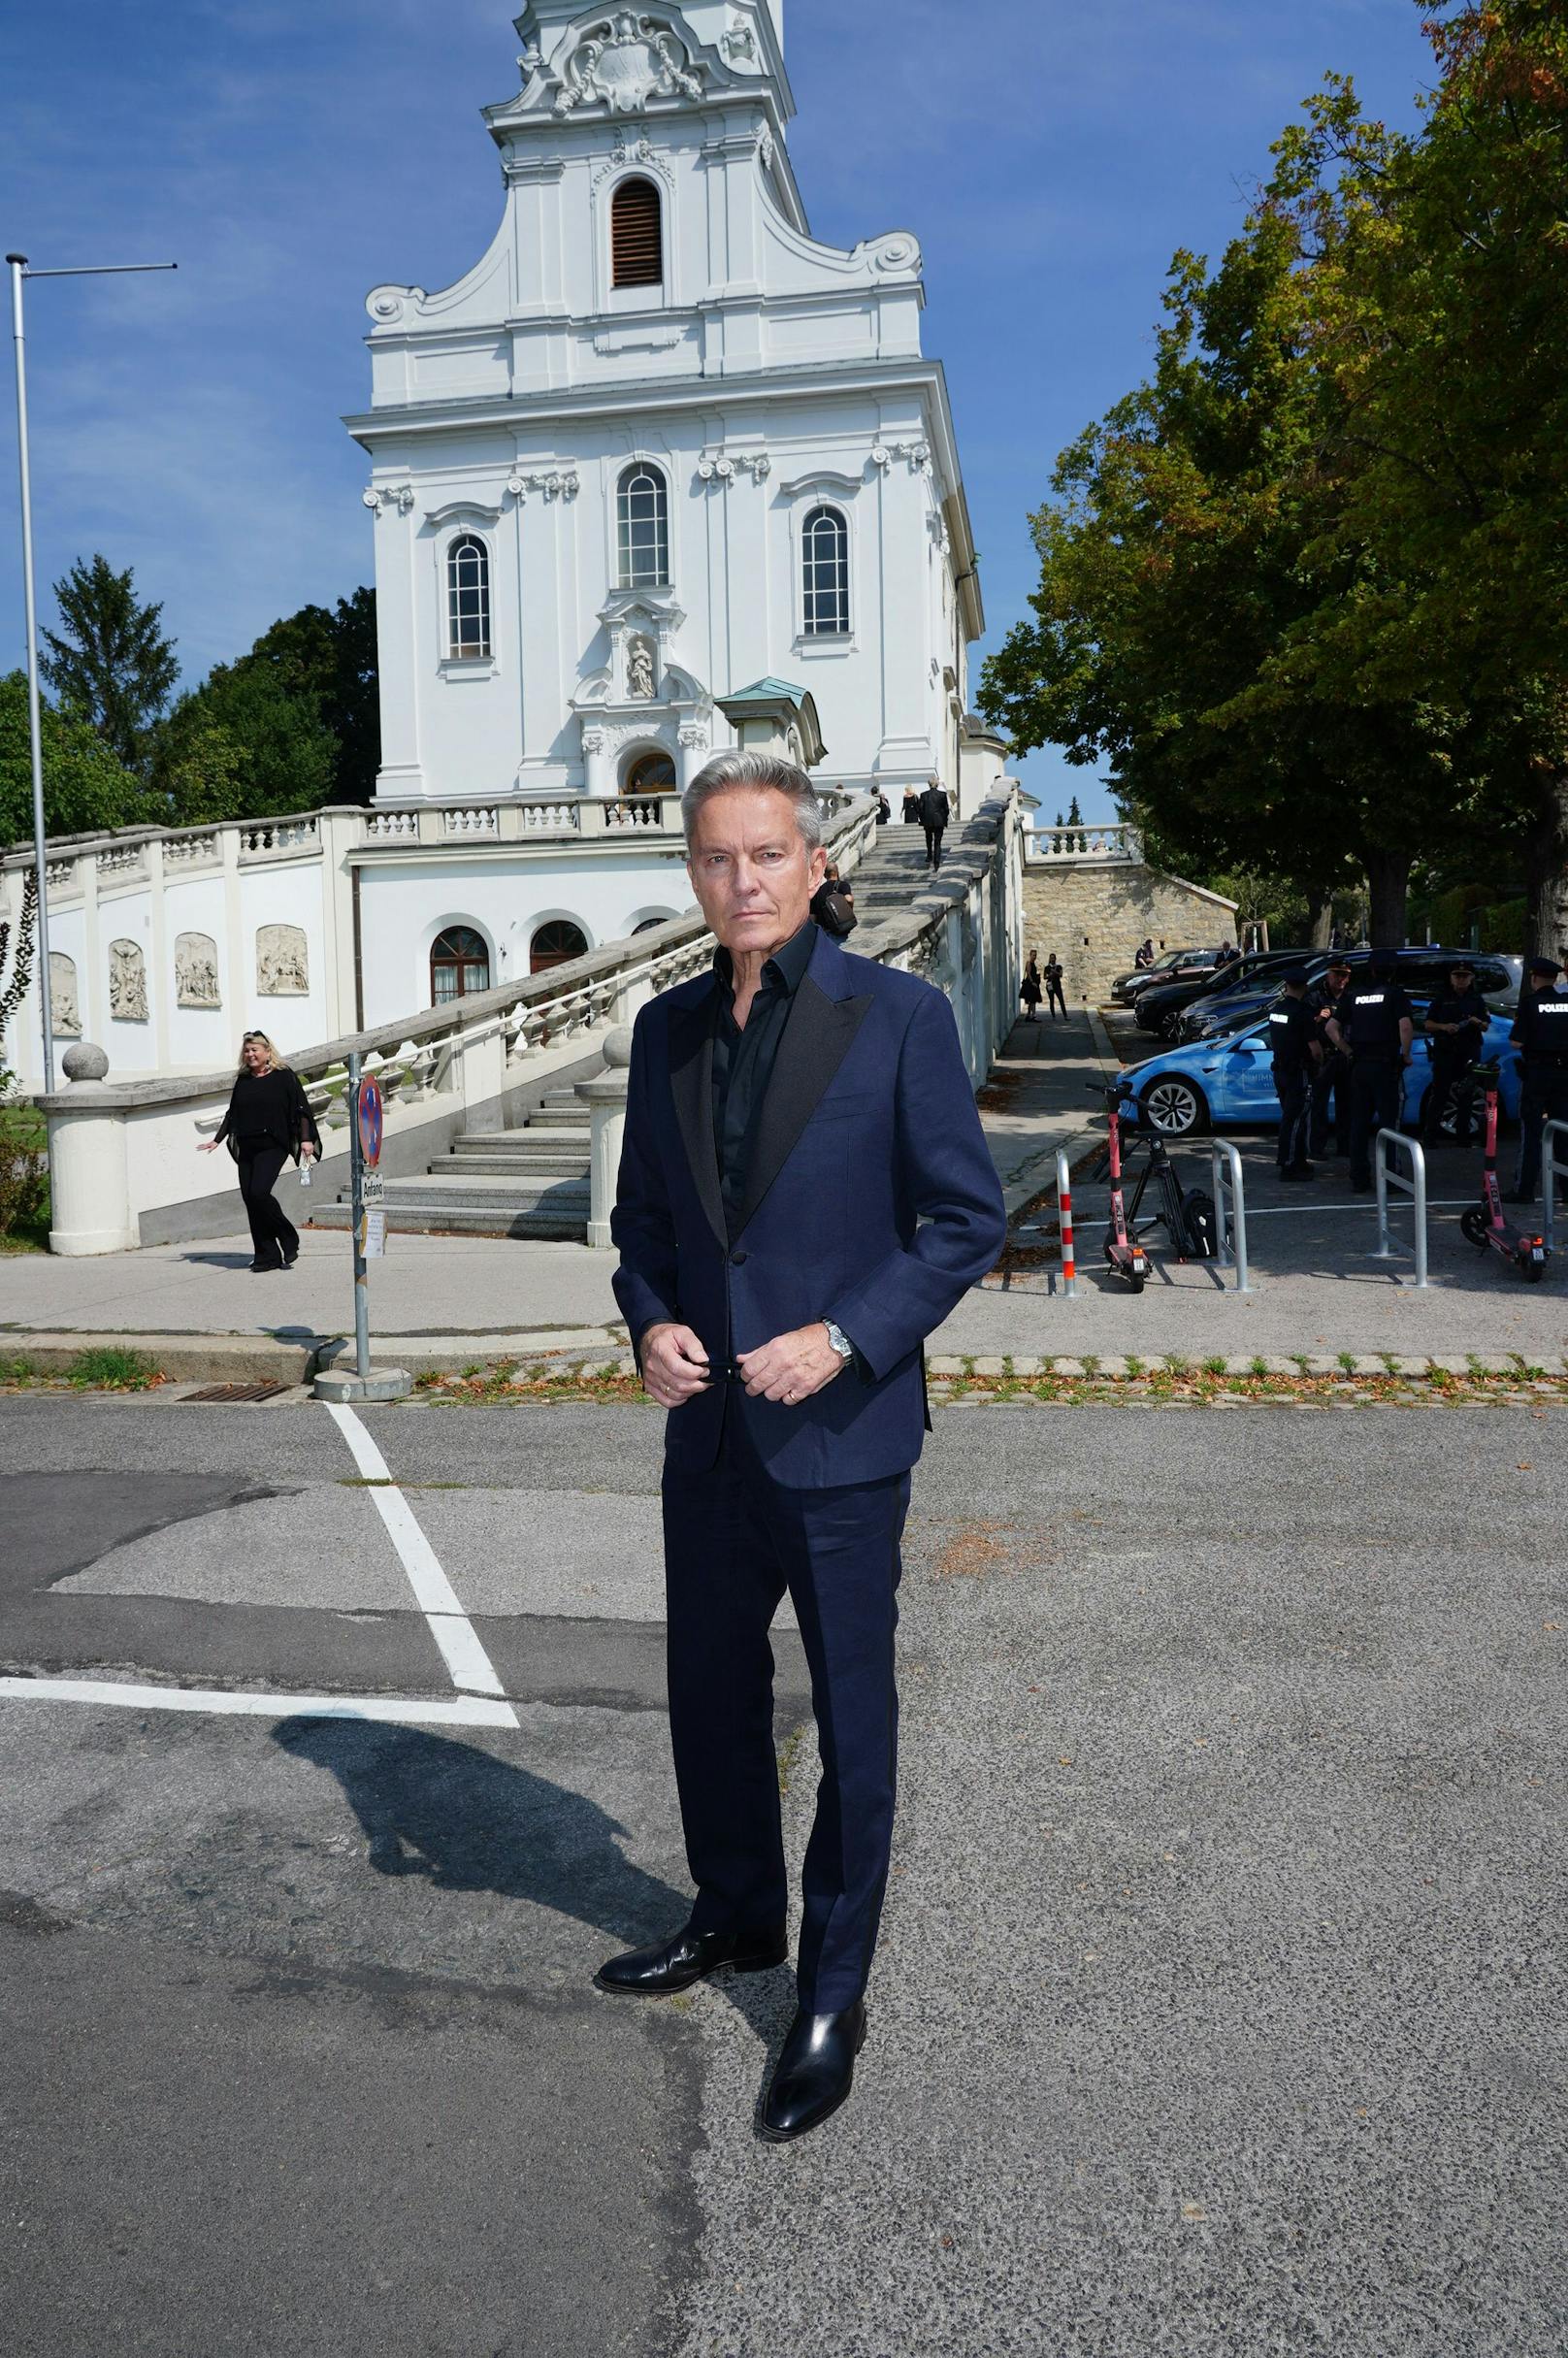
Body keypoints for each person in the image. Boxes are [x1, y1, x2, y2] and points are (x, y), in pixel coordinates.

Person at [603, 749, 1006, 2144]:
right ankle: (735, 1915)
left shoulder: (894, 1018)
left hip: (841, 1437)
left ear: (816, 862)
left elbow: (965, 1220)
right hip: (707, 1434)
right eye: (716, 859)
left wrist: (842, 1337)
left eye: (767, 854)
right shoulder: (663, 1030)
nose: (743, 880)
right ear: (693, 874)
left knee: (853, 1726)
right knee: (708, 1697)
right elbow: (646, 1222)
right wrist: (648, 1320)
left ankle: (833, 1996)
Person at [199, 1031, 321, 1271]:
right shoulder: (243, 1080)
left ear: (267, 1051)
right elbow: (232, 1114)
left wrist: (306, 1140)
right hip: (248, 1145)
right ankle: (267, 1255)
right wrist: (217, 1139)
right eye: (247, 1050)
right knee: (250, 1200)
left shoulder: (283, 1076)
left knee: (259, 1192)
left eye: (255, 1050)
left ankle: (288, 1236)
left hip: (273, 1145)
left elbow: (301, 1109)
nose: (250, 1054)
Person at [1326, 953, 1415, 1192]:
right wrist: (1406, 1055)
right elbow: (1405, 1026)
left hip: (1360, 1066)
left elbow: (1331, 1027)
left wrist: (1347, 1051)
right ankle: (1391, 1179)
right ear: (1392, 971)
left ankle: (1359, 1178)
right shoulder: (1395, 994)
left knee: (1359, 1124)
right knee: (1389, 1125)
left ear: (1371, 971)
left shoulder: (1353, 995)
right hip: (1386, 1066)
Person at [1506, 955, 1568, 1203]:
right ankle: (1567, 1189)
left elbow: (1516, 1041)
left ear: (1534, 978)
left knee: (1531, 1133)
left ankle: (1525, 1189)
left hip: (1537, 1075)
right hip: (1564, 1076)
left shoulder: (1530, 1004)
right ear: (1555, 979)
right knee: (1564, 1132)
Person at [1421, 961, 1487, 1147]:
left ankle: (1463, 1138)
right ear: (1451, 978)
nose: (1461, 980)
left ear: (1471, 978)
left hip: (1469, 1051)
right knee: (1440, 1094)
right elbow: (1427, 1024)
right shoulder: (1441, 998)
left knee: (1467, 1095)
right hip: (1445, 1052)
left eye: (1464, 976)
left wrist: (1476, 1022)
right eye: (1457, 976)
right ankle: (1429, 1137)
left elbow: (1486, 1025)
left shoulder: (1476, 999)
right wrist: (1444, 1027)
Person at [1267, 969, 1320, 1180]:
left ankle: (1299, 1161)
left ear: (1286, 985)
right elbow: (1315, 1049)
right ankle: (1288, 1165)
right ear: (1305, 986)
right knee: (1295, 1119)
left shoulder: (1276, 1010)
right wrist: (1319, 1064)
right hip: (1299, 1072)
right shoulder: (1303, 1013)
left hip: (1280, 1070)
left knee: (1295, 1118)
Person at [1307, 958, 1353, 1157]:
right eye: (1337, 974)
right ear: (1328, 975)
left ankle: (1344, 1146)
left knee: (1347, 1105)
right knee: (1319, 1106)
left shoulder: (1351, 998)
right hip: (1323, 1058)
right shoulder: (1315, 997)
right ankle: (1317, 1148)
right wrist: (1318, 1018)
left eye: (1345, 976)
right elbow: (1304, 1026)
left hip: (1345, 1056)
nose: (1340, 979)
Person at [809, 860, 857, 940]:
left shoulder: (817, 891)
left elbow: (813, 916)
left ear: (824, 875)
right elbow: (849, 899)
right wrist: (849, 913)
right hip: (840, 928)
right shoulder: (842, 885)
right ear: (837, 872)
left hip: (824, 931)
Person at [917, 781, 950, 871]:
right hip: (939, 821)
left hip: (928, 821)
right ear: (937, 785)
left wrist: (923, 819)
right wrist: (944, 818)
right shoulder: (942, 795)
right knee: (938, 842)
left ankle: (929, 855)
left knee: (928, 838)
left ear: (929, 784)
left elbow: (920, 809)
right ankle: (937, 862)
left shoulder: (923, 795)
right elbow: (946, 809)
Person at [1043, 953, 1068, 1021]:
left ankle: (1065, 1016)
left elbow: (1061, 975)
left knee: (1061, 1000)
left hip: (1057, 986)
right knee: (1052, 1001)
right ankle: (1053, 1016)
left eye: (1053, 958)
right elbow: (1044, 977)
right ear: (1049, 959)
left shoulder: (1059, 966)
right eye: (1051, 958)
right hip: (1050, 985)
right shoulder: (1047, 967)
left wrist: (1054, 972)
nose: (1052, 959)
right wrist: (1049, 975)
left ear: (1055, 959)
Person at [1020, 951, 1042, 1022]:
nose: (1034, 956)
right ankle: (1034, 1016)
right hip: (1030, 984)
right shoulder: (1029, 963)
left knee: (1032, 1000)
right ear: (1030, 955)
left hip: (1033, 983)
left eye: (1035, 955)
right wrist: (1032, 982)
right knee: (1032, 1000)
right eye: (1033, 955)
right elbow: (1028, 974)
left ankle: (1028, 1015)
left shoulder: (1033, 963)